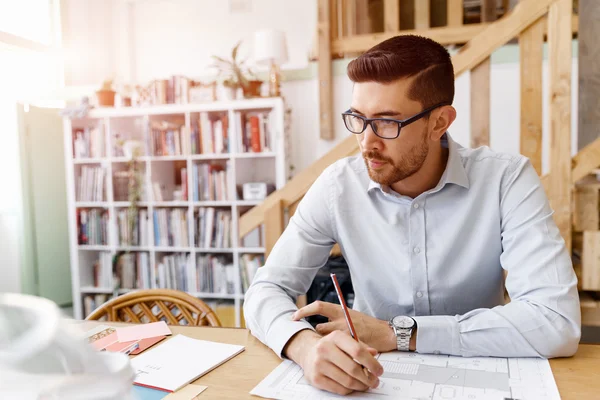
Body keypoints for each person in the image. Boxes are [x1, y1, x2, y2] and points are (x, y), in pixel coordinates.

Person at [243, 34, 581, 396]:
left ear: (440, 122)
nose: (367, 142)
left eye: (388, 123)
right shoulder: (337, 186)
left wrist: (398, 332)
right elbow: (266, 290)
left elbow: (555, 320)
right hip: (371, 380)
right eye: (358, 118)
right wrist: (303, 346)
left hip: (478, 381)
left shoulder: (506, 180)